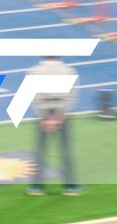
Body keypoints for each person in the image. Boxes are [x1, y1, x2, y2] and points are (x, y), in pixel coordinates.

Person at [27, 55, 80, 196]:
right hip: (62, 114)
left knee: (40, 151)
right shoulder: (69, 71)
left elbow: (35, 96)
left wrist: (44, 117)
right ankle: (71, 186)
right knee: (66, 150)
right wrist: (58, 117)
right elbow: (71, 96)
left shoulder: (34, 71)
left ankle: (36, 187)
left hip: (43, 113)